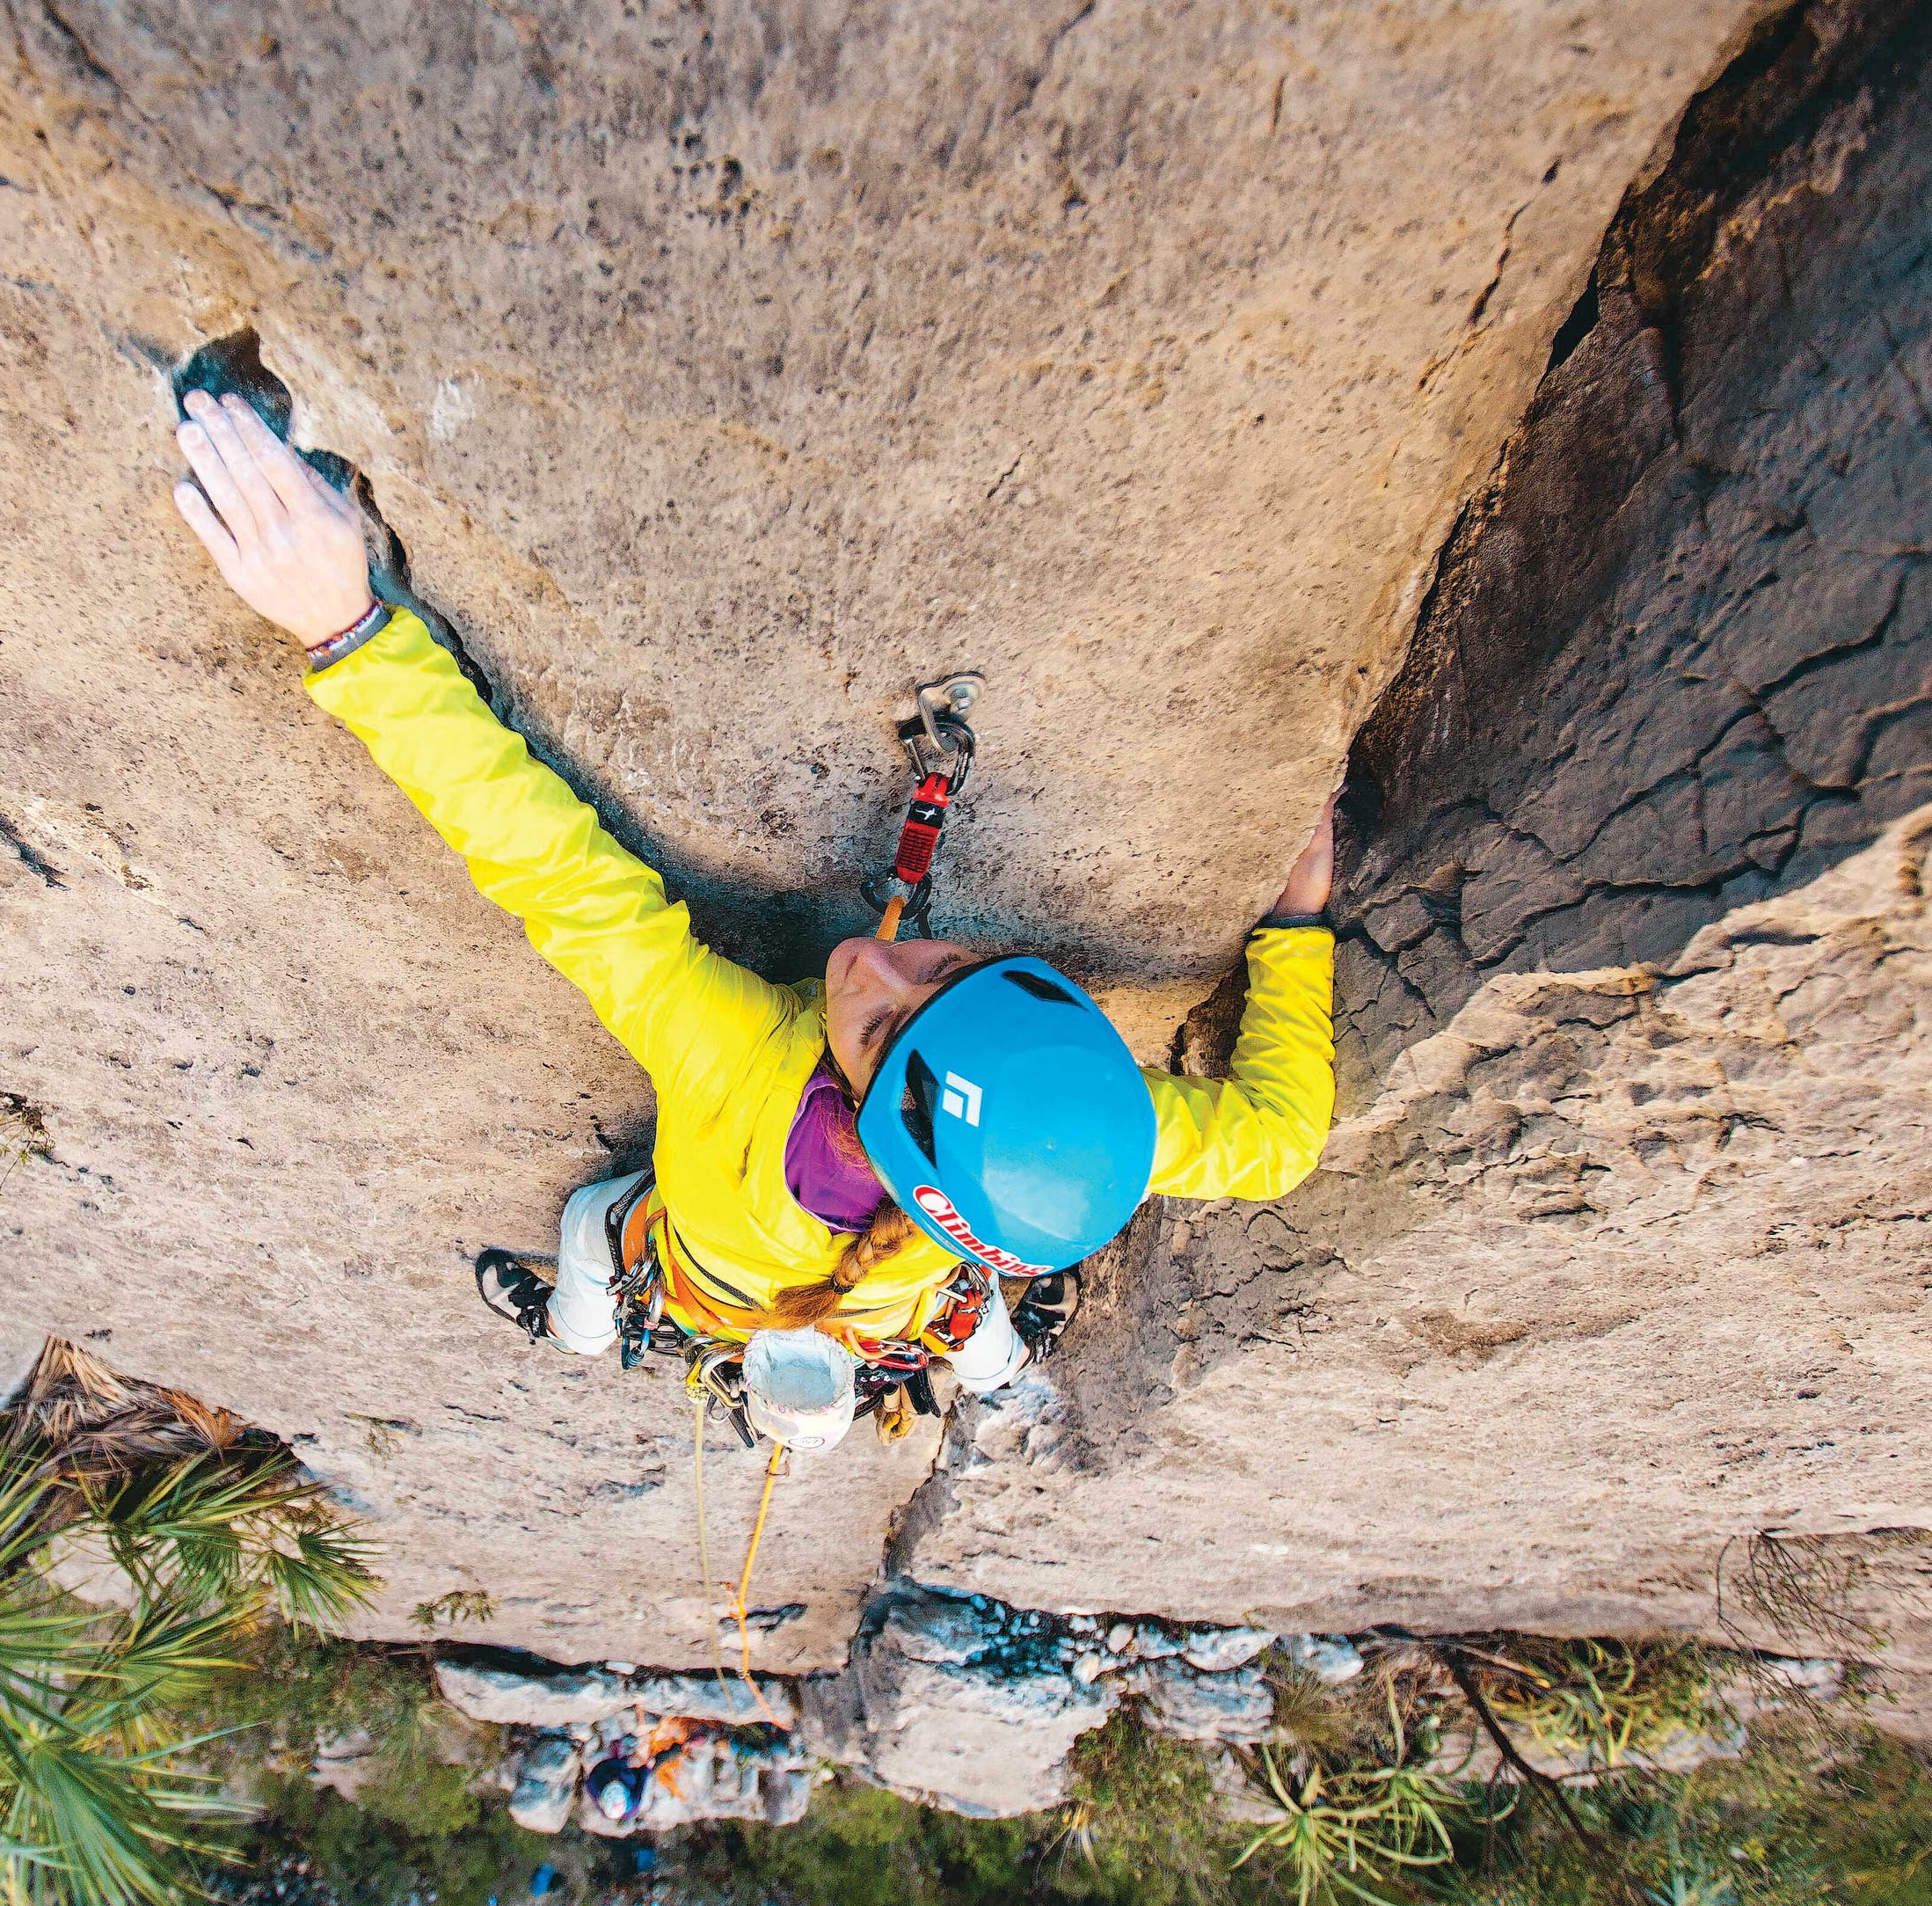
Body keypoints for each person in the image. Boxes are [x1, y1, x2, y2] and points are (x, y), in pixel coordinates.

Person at [170, 390, 1336, 1452]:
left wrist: (350, 635)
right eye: (949, 967)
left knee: (593, 1227)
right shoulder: (1065, 1145)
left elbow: (557, 874)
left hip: (729, 1279)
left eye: (878, 1029)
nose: (871, 962)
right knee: (968, 1327)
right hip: (889, 1308)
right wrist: (1296, 915)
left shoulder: (733, 1059)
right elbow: (1279, 1144)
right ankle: (999, 1375)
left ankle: (576, 1331)